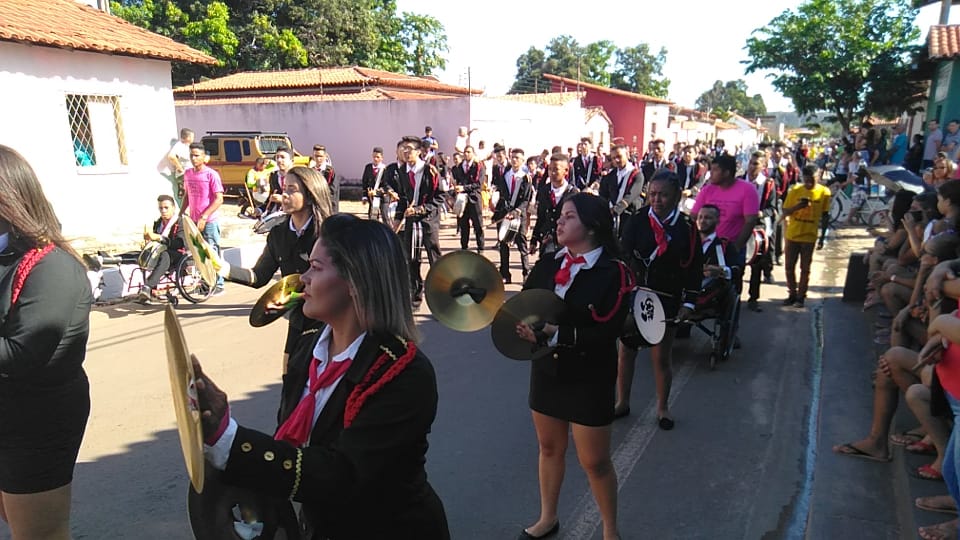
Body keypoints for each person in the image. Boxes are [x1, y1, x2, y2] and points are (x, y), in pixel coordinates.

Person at [194, 214, 450, 539]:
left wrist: (231, 441)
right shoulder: (310, 344)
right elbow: (294, 444)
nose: (302, 279)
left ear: (355, 282)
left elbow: (343, 474)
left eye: (315, 268)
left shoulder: (403, 373)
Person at [515, 193, 632, 540]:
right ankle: (547, 518)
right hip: (547, 370)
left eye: (569, 216)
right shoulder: (548, 264)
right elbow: (525, 305)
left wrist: (556, 333)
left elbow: (609, 330)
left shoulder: (615, 272)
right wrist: (523, 326)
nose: (559, 221)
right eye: (560, 215)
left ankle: (610, 531)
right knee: (549, 448)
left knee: (595, 462)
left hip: (589, 376)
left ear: (592, 226)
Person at [0, 145, 92, 539]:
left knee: (39, 533)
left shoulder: (53, 268)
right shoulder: (7, 256)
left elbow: (22, 353)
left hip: (35, 424)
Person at [217, 166, 334, 369]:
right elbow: (258, 277)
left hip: (330, 320)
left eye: (292, 189)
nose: (284, 195)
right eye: (284, 188)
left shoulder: (329, 233)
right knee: (290, 375)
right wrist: (221, 267)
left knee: (326, 376)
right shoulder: (278, 234)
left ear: (310, 195)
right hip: (298, 319)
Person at [616, 171, 703, 427]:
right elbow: (623, 255)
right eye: (652, 194)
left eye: (663, 195)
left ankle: (663, 408)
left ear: (676, 196)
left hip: (667, 298)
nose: (657, 200)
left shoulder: (687, 227)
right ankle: (622, 402)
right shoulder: (637, 220)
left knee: (661, 357)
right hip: (636, 295)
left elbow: (694, 267)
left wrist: (689, 302)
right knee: (626, 351)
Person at [395, 136, 444, 308]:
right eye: (403, 148)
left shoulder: (430, 171)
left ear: (419, 151)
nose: (405, 151)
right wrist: (398, 218)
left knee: (434, 259)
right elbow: (403, 197)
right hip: (411, 222)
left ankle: (441, 299)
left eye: (409, 148)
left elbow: (440, 197)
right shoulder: (402, 171)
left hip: (428, 221)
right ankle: (415, 297)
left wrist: (421, 209)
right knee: (412, 259)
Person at [782, 164, 832, 307]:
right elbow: (785, 211)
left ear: (818, 176)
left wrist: (822, 237)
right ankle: (792, 293)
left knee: (805, 268)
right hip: (793, 235)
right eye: (806, 180)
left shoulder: (824, 192)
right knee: (789, 267)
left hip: (809, 237)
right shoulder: (795, 191)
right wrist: (798, 207)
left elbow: (825, 215)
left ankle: (801, 296)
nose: (809, 183)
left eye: (812, 180)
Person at [181, 142, 225, 294]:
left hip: (209, 221)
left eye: (196, 155)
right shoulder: (188, 174)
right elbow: (187, 196)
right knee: (199, 253)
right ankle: (206, 283)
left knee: (212, 252)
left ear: (204, 157)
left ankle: (218, 284)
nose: (193, 158)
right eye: (191, 155)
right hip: (194, 221)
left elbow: (219, 199)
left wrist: (204, 216)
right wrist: (180, 214)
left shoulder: (211, 175)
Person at [492, 148, 532, 283]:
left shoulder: (526, 178)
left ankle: (526, 273)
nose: (514, 160)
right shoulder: (505, 175)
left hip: (519, 215)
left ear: (522, 160)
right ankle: (505, 274)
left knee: (522, 245)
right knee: (503, 245)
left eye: (517, 158)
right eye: (512, 157)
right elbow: (503, 194)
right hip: (505, 214)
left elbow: (526, 200)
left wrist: (516, 211)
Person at [138, 194, 185, 304]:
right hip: (159, 251)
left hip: (178, 254)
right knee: (142, 253)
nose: (163, 211)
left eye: (166, 208)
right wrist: (148, 241)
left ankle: (148, 287)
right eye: (161, 208)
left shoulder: (180, 222)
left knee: (164, 255)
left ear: (173, 208)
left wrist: (160, 238)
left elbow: (180, 243)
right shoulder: (159, 222)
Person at [530, 154, 579, 257]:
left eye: (556, 169)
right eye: (550, 169)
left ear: (566, 171)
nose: (552, 173)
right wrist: (534, 239)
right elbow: (541, 217)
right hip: (546, 243)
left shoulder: (573, 193)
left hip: (566, 244)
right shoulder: (544, 191)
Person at [597, 144, 642, 239]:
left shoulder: (637, 175)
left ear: (627, 155)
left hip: (630, 216)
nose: (616, 160)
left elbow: (630, 196)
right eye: (613, 158)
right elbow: (603, 196)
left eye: (619, 156)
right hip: (612, 218)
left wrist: (616, 210)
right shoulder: (609, 176)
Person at [452, 145, 485, 252]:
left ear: (473, 153)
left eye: (469, 152)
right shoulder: (459, 167)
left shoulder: (479, 166)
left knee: (478, 224)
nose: (466, 154)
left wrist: (464, 188)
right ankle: (464, 247)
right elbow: (457, 181)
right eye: (465, 152)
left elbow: (479, 184)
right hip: (463, 199)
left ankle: (480, 247)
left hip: (474, 198)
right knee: (463, 224)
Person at [164, 128, 193, 205]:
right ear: (188, 137)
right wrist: (179, 167)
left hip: (189, 174)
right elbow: (171, 156)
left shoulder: (186, 146)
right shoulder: (179, 145)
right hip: (184, 175)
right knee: (185, 196)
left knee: (190, 195)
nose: (193, 139)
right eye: (192, 137)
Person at [360, 147, 387, 222]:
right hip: (371, 196)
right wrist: (364, 196)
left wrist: (378, 192)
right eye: (374, 156)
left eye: (378, 157)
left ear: (382, 158)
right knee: (372, 217)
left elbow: (386, 184)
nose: (375, 159)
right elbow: (364, 182)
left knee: (385, 217)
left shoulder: (385, 169)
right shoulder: (368, 167)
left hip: (382, 196)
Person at [310, 145, 339, 213]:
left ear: (325, 156)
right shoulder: (311, 171)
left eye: (321, 156)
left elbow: (332, 191)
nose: (318, 159)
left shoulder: (330, 172)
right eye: (316, 156)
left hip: (327, 206)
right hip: (314, 207)